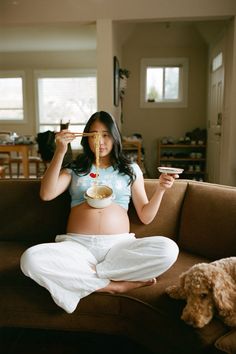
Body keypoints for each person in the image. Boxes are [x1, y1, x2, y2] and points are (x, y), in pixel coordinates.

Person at [20, 111, 179, 314]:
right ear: (86, 138)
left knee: (168, 249)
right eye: (94, 135)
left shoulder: (130, 169)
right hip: (77, 248)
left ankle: (88, 277)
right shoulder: (77, 168)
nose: (100, 141)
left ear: (114, 136)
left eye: (105, 135)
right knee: (30, 260)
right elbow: (47, 193)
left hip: (119, 248)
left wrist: (162, 190)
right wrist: (60, 151)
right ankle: (113, 286)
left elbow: (146, 216)